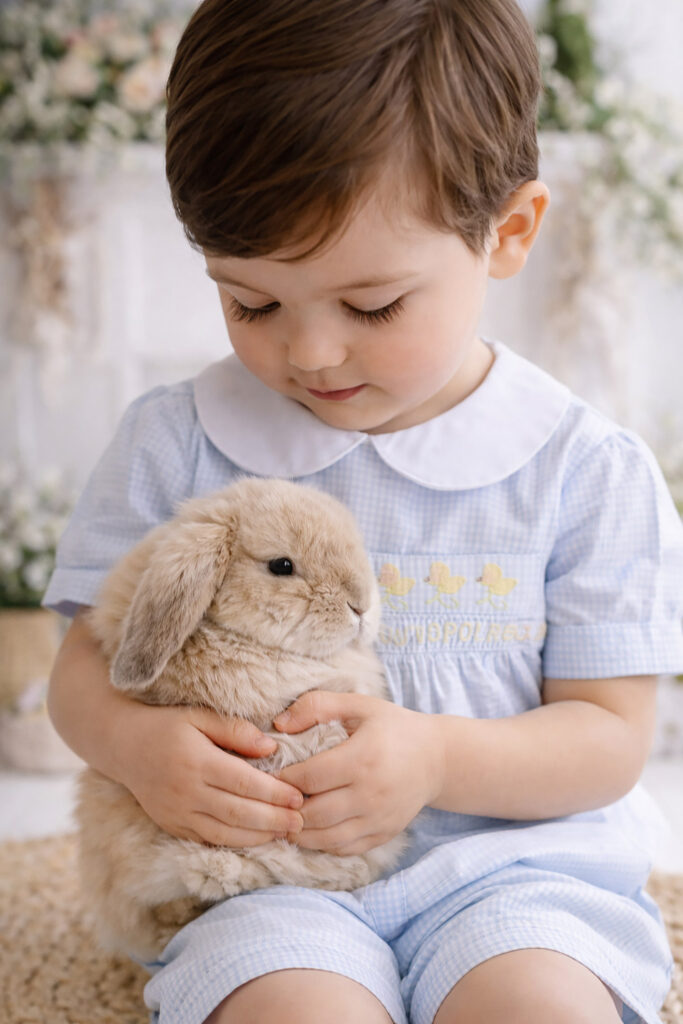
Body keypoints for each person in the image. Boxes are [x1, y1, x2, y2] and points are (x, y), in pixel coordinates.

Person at [44, 1, 683, 1022]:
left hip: (514, 872)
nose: (308, 354)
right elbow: (82, 667)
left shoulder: (579, 467)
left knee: (533, 1001)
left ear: (507, 232)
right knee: (292, 1006)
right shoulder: (177, 439)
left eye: (372, 307)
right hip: (262, 879)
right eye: (251, 302)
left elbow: (608, 735)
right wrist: (134, 747)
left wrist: (434, 757)